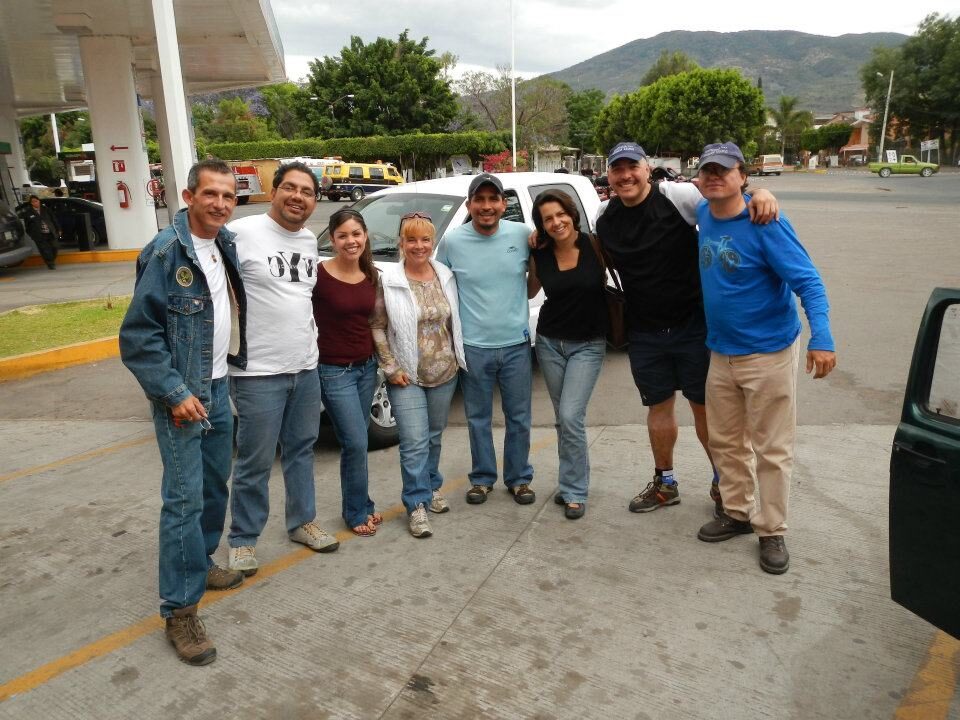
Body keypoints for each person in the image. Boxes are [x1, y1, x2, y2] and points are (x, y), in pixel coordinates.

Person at [595, 142, 778, 518]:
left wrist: (759, 192)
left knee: (706, 412)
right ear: (609, 175)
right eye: (618, 169)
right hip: (644, 332)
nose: (626, 175)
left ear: (648, 169)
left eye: (633, 167)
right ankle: (666, 482)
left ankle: (722, 483)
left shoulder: (676, 196)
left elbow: (725, 205)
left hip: (694, 326)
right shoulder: (604, 216)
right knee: (658, 409)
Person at [118, 159, 247, 666]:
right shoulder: (166, 251)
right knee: (184, 499)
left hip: (217, 387)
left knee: (216, 485)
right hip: (182, 398)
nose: (219, 204)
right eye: (210, 194)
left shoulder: (224, 244)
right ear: (188, 195)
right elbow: (138, 337)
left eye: (228, 196)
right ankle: (181, 609)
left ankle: (203, 559)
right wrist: (173, 393)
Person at [692, 142, 836, 574]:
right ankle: (736, 512)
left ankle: (771, 529)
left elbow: (808, 281)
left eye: (724, 170)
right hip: (720, 352)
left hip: (768, 352)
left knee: (772, 448)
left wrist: (822, 337)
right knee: (726, 441)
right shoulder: (703, 213)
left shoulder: (765, 220)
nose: (714, 177)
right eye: (707, 171)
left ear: (742, 176)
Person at [226, 162, 339, 579]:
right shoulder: (241, 233)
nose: (297, 197)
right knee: (255, 461)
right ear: (273, 192)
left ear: (315, 200)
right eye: (289, 188)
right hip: (257, 372)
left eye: (306, 191)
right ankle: (242, 539)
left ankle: (301, 521)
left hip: (305, 367)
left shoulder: (309, 239)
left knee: (301, 451)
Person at [435, 173, 536, 506]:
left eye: (493, 200)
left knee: (518, 417)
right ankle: (482, 478)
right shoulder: (452, 242)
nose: (487, 207)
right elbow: (441, 290)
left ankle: (519, 478)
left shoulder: (522, 235)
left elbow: (533, 282)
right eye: (480, 200)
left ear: (503, 205)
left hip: (517, 345)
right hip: (474, 348)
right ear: (470, 204)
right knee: (477, 418)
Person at [369, 212, 466, 538]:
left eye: (425, 239)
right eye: (411, 239)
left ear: (432, 242)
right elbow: (378, 327)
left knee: (434, 437)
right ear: (401, 243)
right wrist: (391, 367)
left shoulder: (445, 275)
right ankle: (416, 504)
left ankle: (431, 486)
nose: (419, 246)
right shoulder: (390, 278)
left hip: (445, 373)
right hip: (407, 375)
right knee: (413, 442)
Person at [527, 190, 607, 520]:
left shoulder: (595, 245)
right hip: (549, 342)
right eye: (547, 218)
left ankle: (575, 490)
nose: (556, 222)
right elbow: (530, 290)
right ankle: (568, 482)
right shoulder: (540, 252)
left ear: (571, 213)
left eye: (560, 214)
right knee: (564, 420)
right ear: (541, 225)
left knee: (572, 416)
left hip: (588, 344)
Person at [312, 208, 382, 536]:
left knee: (359, 440)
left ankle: (363, 504)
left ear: (365, 236)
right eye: (343, 235)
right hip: (334, 371)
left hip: (366, 368)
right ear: (333, 239)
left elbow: (374, 322)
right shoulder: (319, 276)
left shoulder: (371, 274)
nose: (350, 241)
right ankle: (355, 512)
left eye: (356, 234)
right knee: (354, 441)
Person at [23, 194, 61, 269]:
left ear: (39, 201)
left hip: (50, 232)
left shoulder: (46, 209)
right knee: (45, 250)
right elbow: (27, 226)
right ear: (31, 203)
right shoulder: (29, 212)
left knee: (54, 247)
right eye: (33, 202)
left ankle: (51, 260)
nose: (35, 203)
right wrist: (32, 235)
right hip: (39, 235)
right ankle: (50, 263)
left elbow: (54, 220)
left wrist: (58, 229)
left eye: (36, 201)